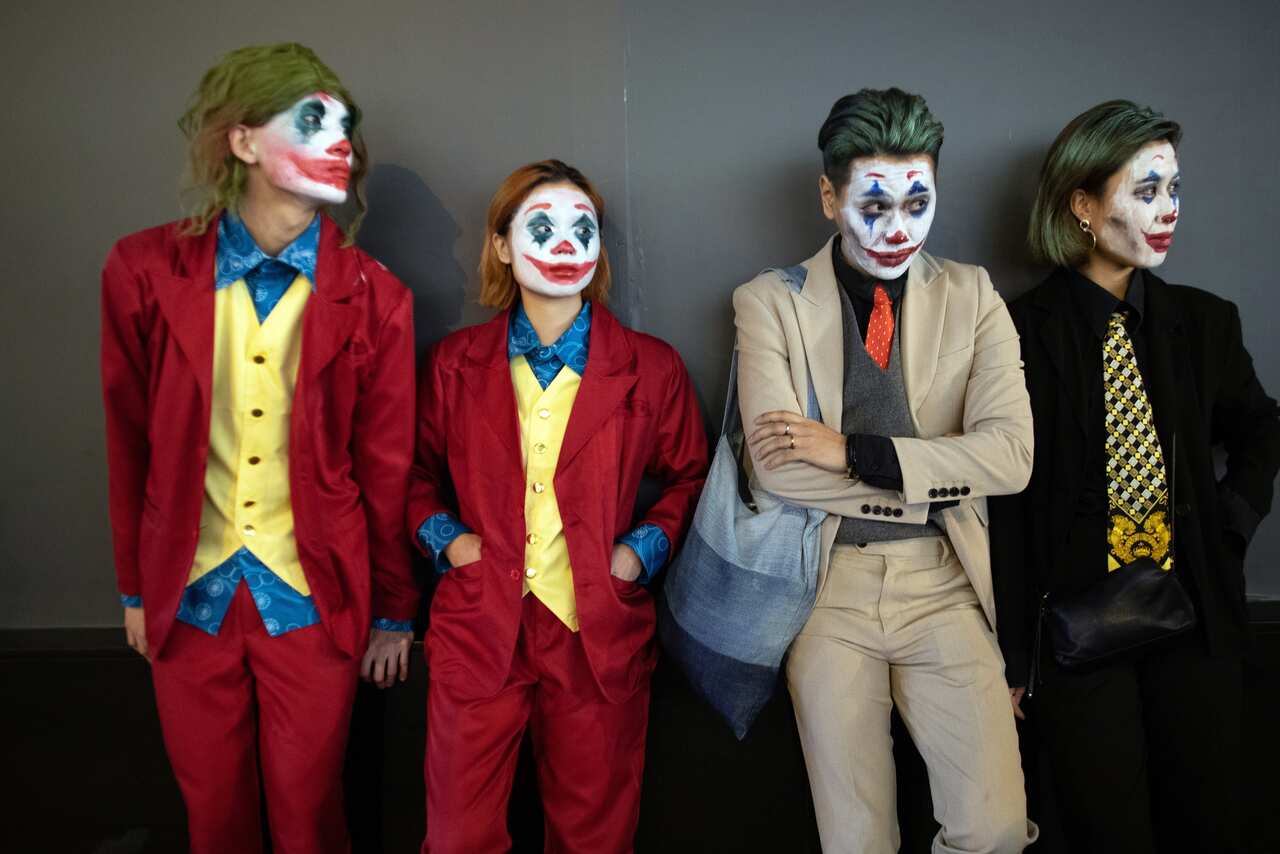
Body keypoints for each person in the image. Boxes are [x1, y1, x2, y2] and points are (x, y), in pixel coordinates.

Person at [100, 43, 419, 854]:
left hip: (314, 599)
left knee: (311, 821)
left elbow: (386, 470)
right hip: (189, 596)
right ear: (243, 143)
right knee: (214, 823)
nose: (339, 139)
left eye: (345, 125)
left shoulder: (377, 295)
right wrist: (136, 588)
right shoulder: (142, 270)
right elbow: (127, 438)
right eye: (312, 120)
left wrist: (391, 610)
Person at [733, 87, 1038, 853]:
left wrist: (852, 452)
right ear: (830, 196)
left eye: (918, 202)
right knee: (856, 839)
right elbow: (778, 473)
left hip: (947, 584)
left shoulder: (972, 296)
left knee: (995, 828)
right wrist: (928, 485)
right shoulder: (770, 301)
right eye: (874, 205)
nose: (897, 228)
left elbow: (1012, 456)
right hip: (826, 588)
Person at [990, 99, 1280, 854]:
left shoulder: (1205, 322)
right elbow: (1004, 500)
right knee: (1105, 828)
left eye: (1175, 189)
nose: (1168, 210)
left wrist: (1231, 521)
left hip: (1195, 618)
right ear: (1083, 205)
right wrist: (1011, 657)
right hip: (1077, 630)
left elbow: (1262, 425)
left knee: (1208, 818)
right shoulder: (1018, 332)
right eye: (1145, 190)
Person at [407, 159, 708, 854]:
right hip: (480, 627)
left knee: (594, 837)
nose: (567, 243)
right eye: (541, 226)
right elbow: (409, 475)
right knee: (456, 837)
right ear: (503, 245)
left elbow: (694, 477)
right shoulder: (454, 365)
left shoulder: (651, 368)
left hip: (595, 633)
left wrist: (638, 554)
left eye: (585, 228)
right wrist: (450, 543)